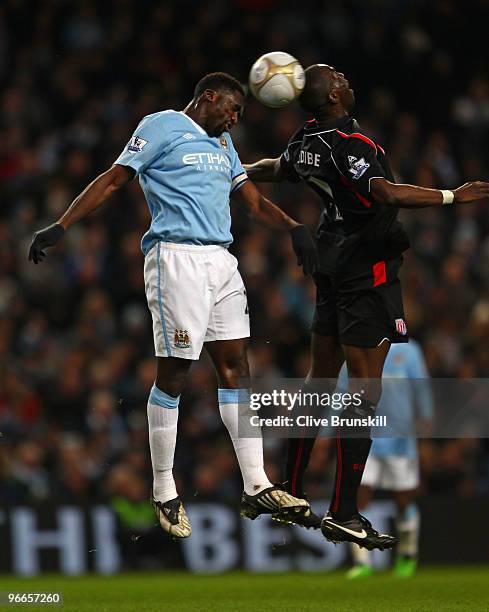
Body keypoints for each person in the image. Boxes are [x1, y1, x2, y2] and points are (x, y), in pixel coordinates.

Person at [28, 72, 318, 539]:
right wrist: (62, 226)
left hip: (221, 260)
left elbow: (252, 201)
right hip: (175, 258)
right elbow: (114, 179)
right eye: (232, 107)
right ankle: (164, 488)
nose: (236, 117)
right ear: (209, 97)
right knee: (176, 372)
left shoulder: (225, 146)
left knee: (236, 367)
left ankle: (256, 484)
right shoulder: (161, 126)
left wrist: (293, 228)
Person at [244, 63, 489, 550]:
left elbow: (282, 167)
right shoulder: (351, 146)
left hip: (332, 264)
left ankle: (290, 490)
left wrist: (244, 170)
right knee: (363, 392)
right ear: (334, 95)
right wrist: (451, 195)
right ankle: (344, 511)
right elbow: (386, 193)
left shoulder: (306, 138)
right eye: (341, 78)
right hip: (366, 271)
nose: (349, 81)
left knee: (318, 380)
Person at [338, 340, 433, 578]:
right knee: (360, 494)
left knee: (402, 499)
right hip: (365, 435)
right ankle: (362, 561)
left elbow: (421, 387)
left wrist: (426, 416)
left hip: (400, 438)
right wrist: (327, 430)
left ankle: (407, 554)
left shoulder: (409, 350)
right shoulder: (355, 347)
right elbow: (341, 393)